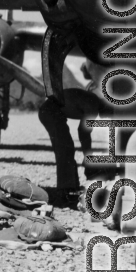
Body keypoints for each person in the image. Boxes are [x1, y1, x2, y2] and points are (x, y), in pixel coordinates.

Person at [38, 60, 114, 206]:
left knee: (66, 148)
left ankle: (70, 188)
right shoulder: (93, 105)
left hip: (52, 111)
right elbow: (84, 133)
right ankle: (65, 191)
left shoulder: (93, 102)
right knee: (64, 149)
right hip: (49, 111)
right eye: (109, 113)